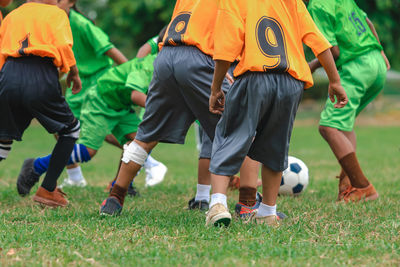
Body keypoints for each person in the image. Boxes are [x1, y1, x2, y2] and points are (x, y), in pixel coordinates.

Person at [205, 0, 348, 227]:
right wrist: (335, 80)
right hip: (291, 82)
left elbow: (225, 48)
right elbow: (319, 42)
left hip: (254, 76)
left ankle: (218, 204)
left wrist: (215, 88)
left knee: (229, 135)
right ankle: (268, 212)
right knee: (275, 144)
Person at [99, 0, 234, 216]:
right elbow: (229, 33)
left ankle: (115, 197)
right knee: (236, 127)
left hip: (166, 57)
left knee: (145, 137)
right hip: (198, 58)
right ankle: (246, 202)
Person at [19, 28, 169, 197]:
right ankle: (35, 166)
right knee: (87, 151)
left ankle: (118, 185)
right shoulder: (150, 65)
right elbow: (136, 95)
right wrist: (162, 110)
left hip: (121, 105)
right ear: (163, 48)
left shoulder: (165, 66)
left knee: (140, 141)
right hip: (102, 99)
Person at [0, 0, 81, 207]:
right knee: (70, 130)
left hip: (8, 75)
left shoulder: (12, 16)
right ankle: (47, 189)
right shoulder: (56, 14)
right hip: (40, 75)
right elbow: (63, 46)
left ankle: (46, 188)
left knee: (2, 139)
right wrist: (73, 73)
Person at [307, 0, 390, 202]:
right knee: (344, 124)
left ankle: (363, 187)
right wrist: (380, 52)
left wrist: (311, 66)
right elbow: (368, 22)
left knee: (328, 127)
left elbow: (332, 51)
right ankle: (348, 186)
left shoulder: (317, 5)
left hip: (357, 67)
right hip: (375, 63)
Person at [56, 0, 128, 187]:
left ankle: (144, 158)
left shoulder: (81, 24)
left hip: (99, 83)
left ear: (71, 3)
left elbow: (111, 51)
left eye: (58, 0)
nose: (52, 3)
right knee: (60, 126)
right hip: (79, 85)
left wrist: (130, 75)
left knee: (103, 131)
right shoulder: (56, 23)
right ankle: (75, 178)